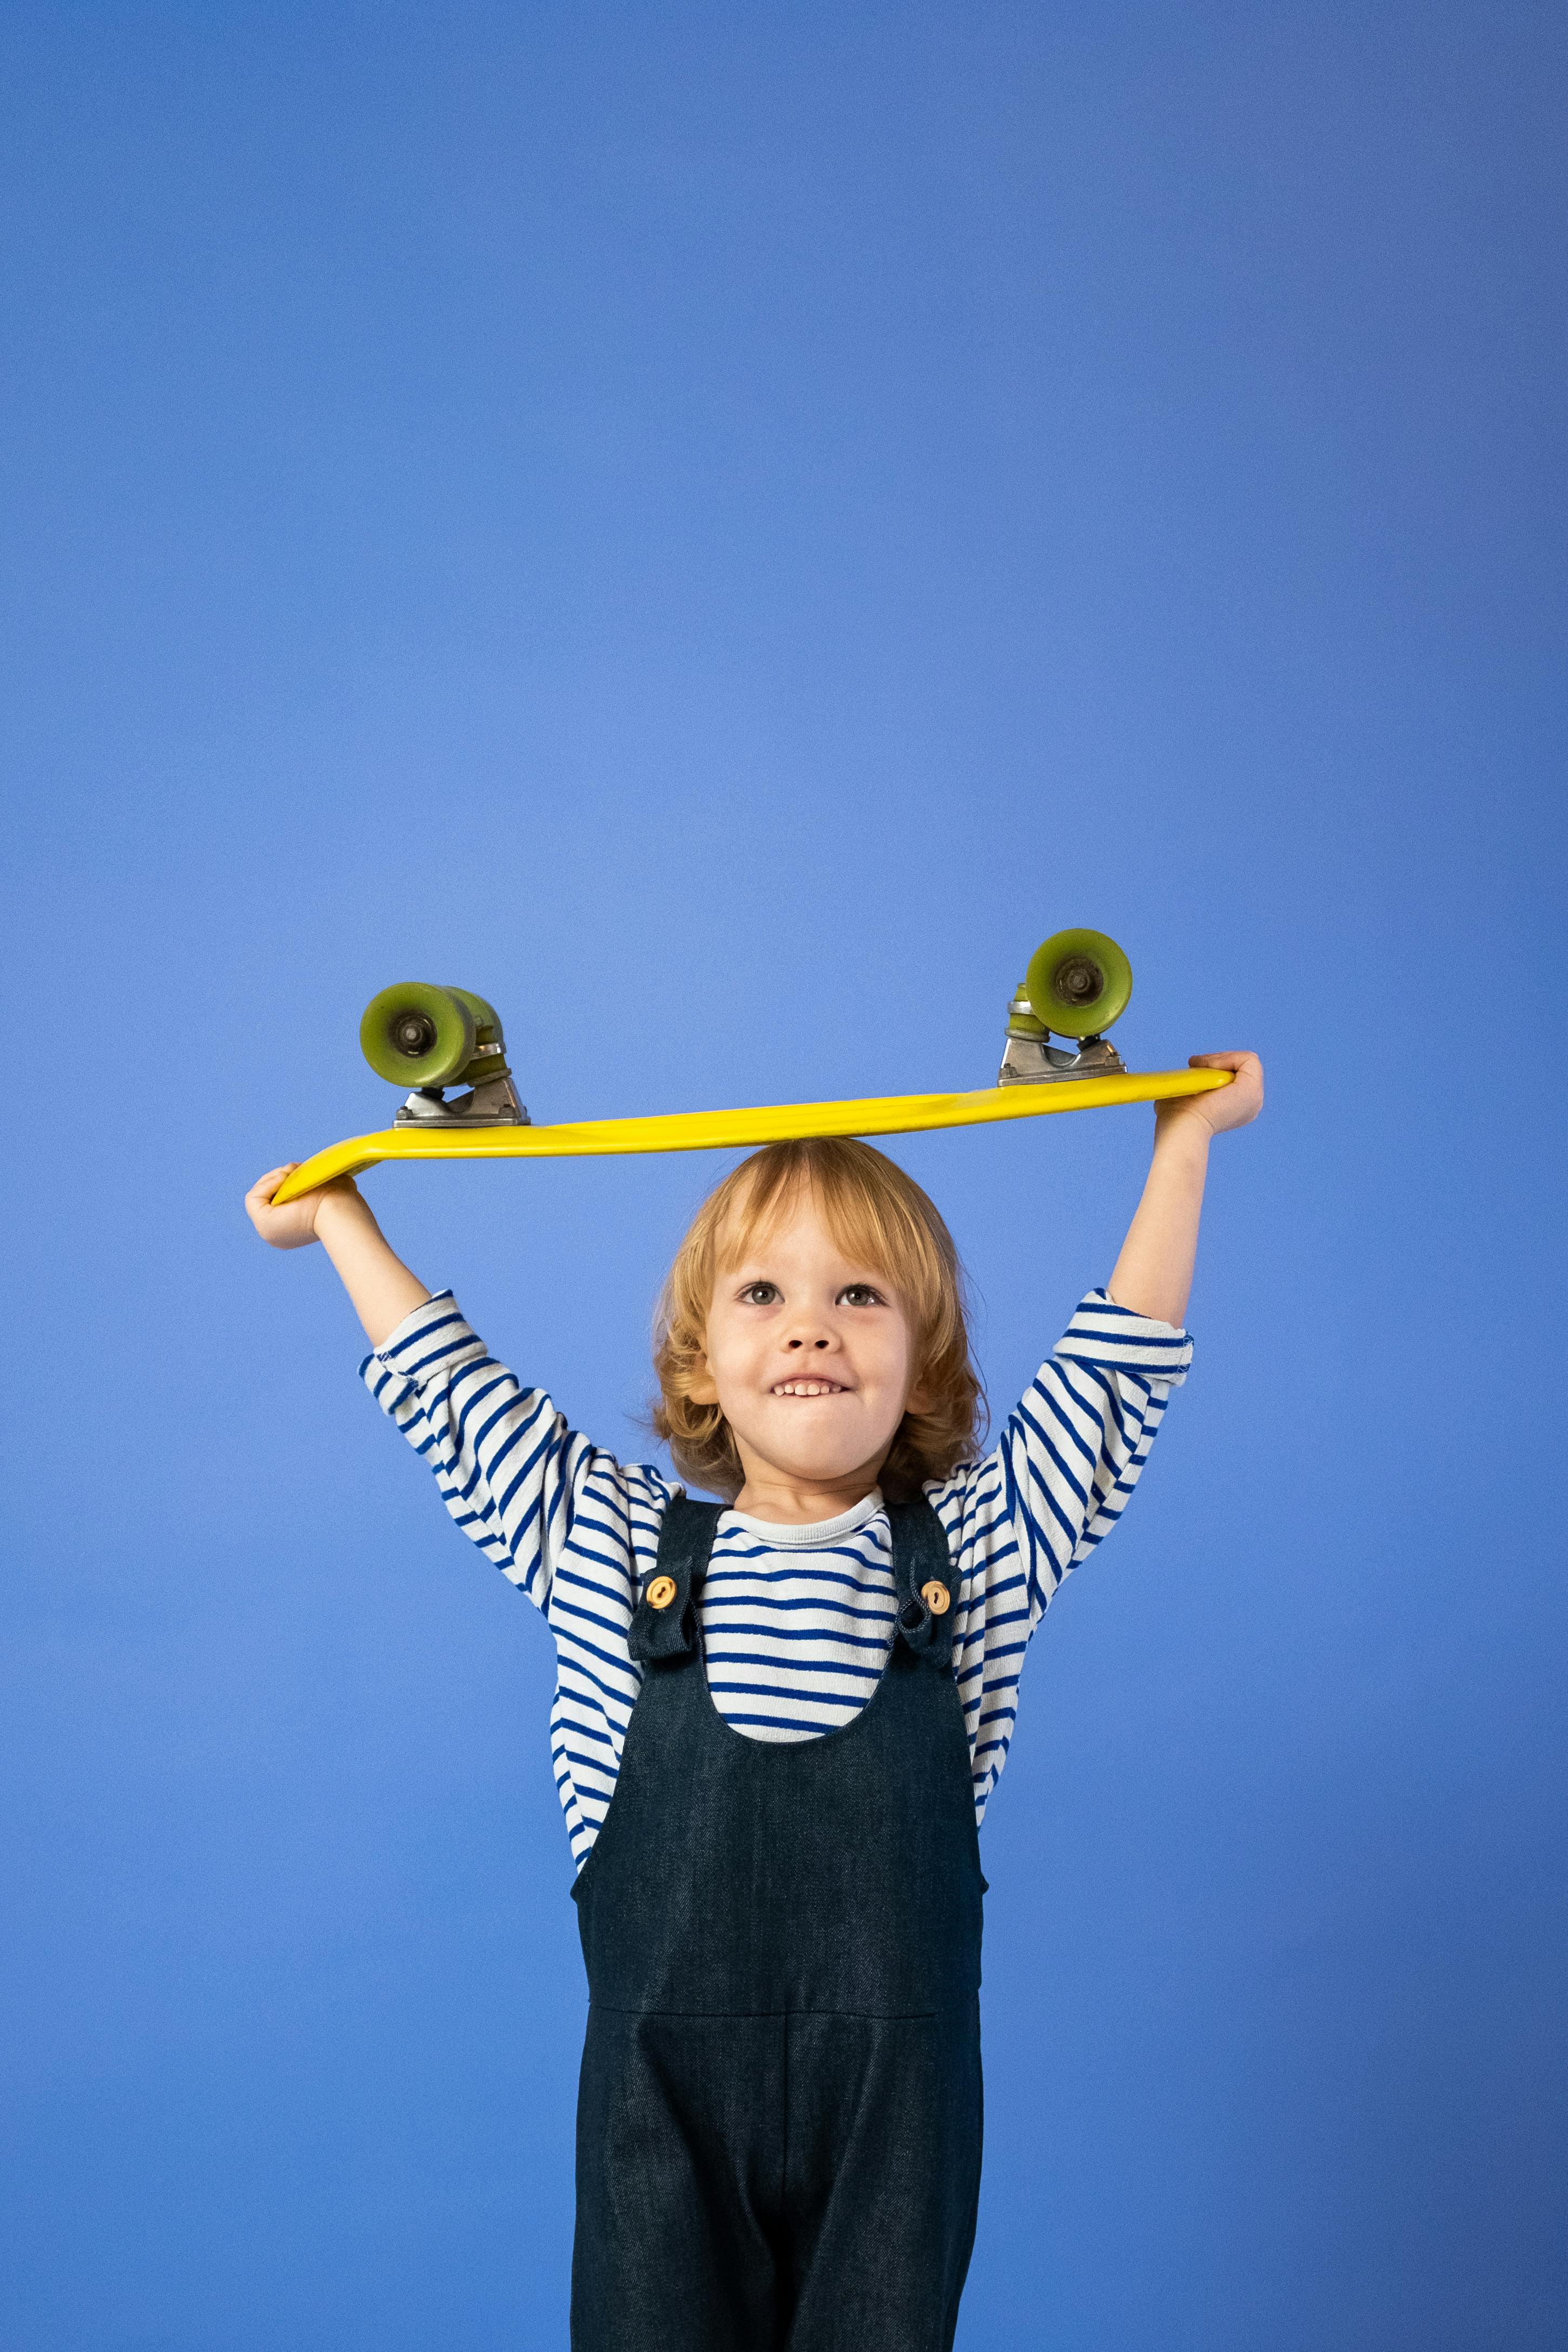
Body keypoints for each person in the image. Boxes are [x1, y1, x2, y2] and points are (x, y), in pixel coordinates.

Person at [246, 1048, 1262, 2351]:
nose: (811, 1324)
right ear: (700, 1362)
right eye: (764, 1293)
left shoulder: (981, 1547)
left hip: (896, 2120)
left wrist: (1184, 1139)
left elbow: (1112, 1385)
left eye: (861, 1294)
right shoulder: (608, 1547)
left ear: (927, 1362)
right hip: (660, 2114)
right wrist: (338, 1214)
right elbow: (456, 1398)